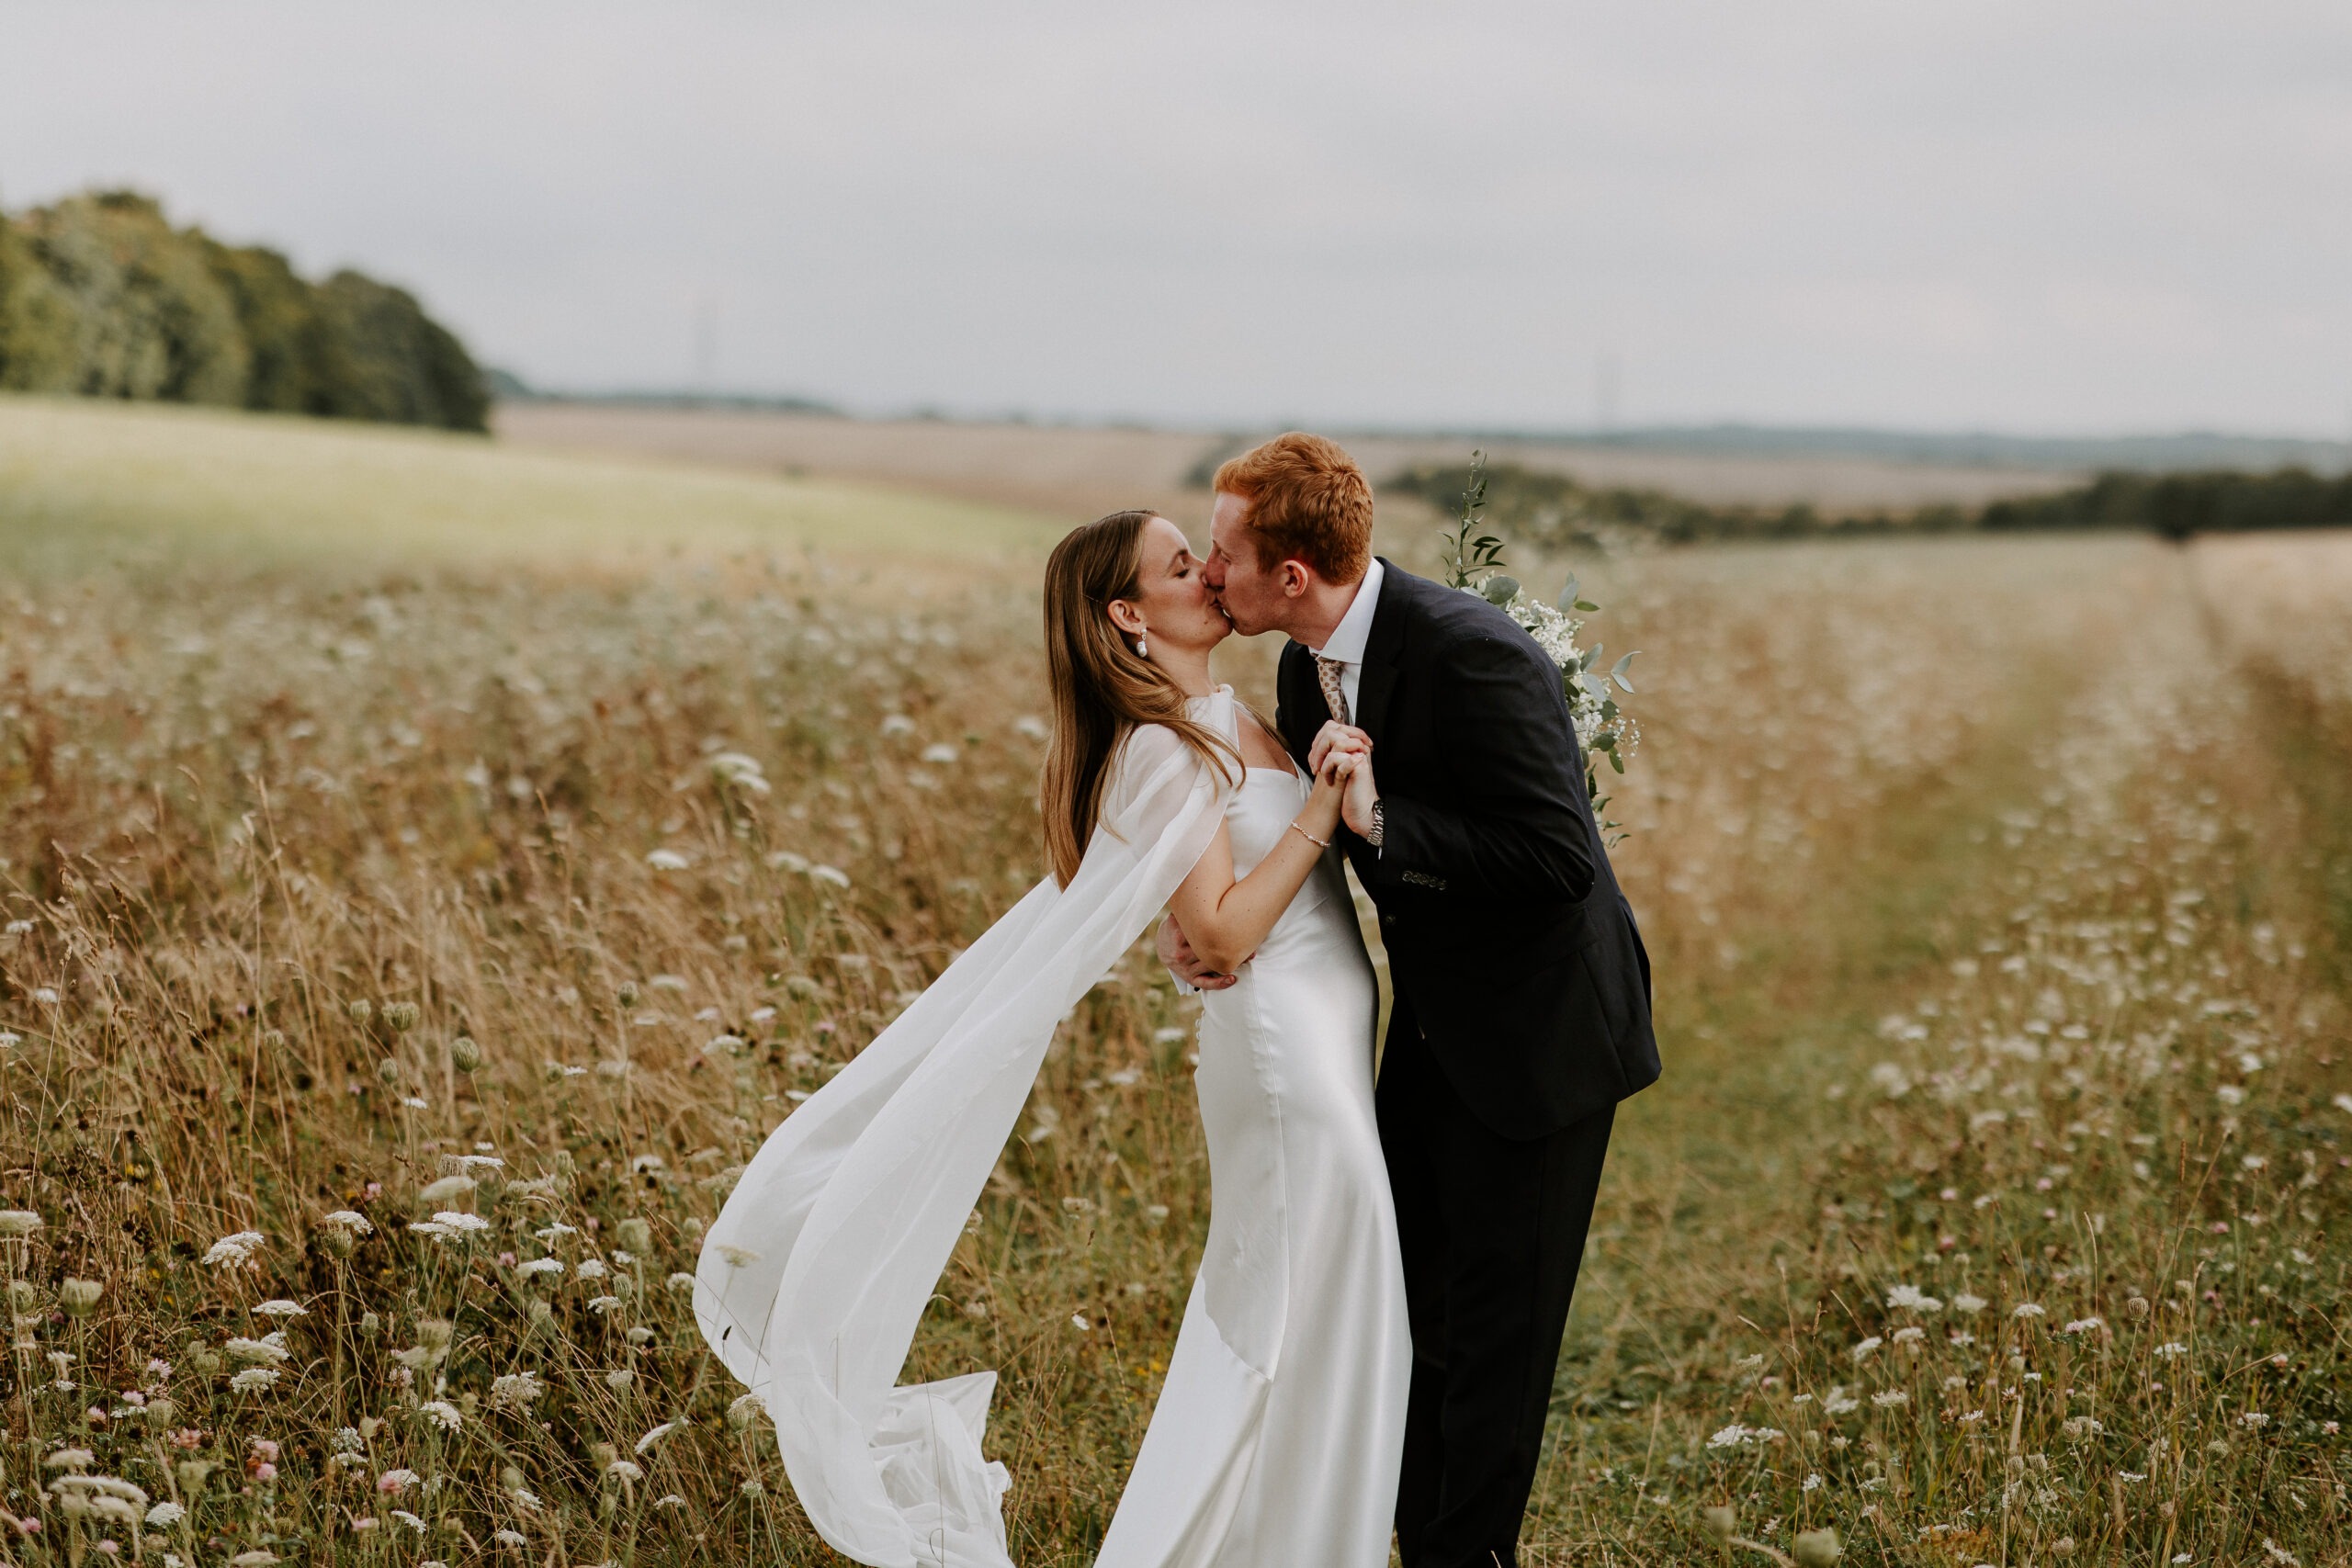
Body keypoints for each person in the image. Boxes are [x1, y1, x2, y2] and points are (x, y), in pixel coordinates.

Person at [696, 507, 1409, 1568]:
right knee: (1309, 1331)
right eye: (1182, 567)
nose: (1210, 575)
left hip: (1321, 1047)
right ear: (1128, 616)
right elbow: (1217, 930)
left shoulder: (1220, 710)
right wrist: (1319, 808)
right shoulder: (1167, 745)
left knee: (1314, 1331)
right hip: (1283, 1062)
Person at [1166, 433, 1660, 1568]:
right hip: (1428, 1031)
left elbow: (1555, 860)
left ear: (1291, 575)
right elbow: (1304, 845)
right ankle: (1409, 1536)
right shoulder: (1301, 670)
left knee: (1500, 1338)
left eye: (1225, 553)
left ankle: (1466, 1553)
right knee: (1415, 1309)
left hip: (1542, 1038)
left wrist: (1384, 818)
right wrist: (1202, 927)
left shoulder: (1473, 655)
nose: (1207, 571)